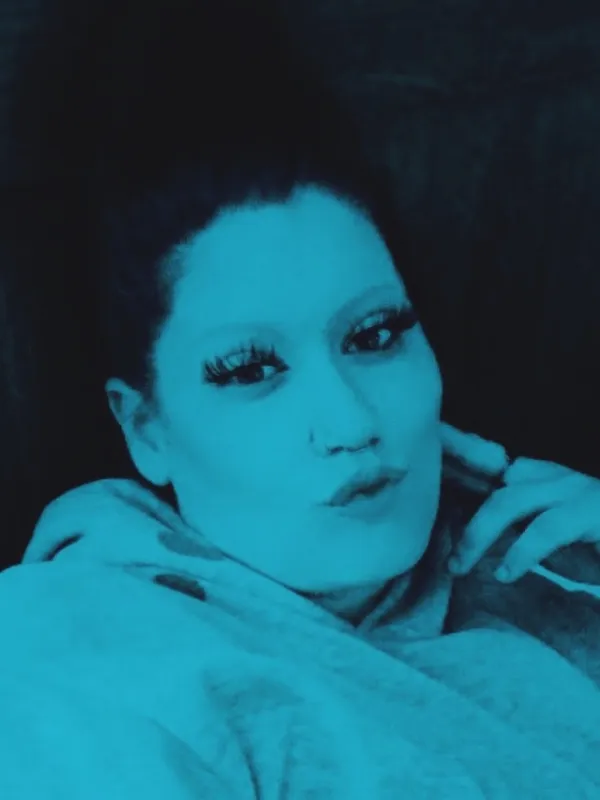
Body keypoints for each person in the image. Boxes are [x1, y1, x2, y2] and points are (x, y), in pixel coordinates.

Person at [1, 0, 600, 796]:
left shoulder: (551, 577)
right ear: (146, 428)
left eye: (375, 334)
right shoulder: (82, 657)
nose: (352, 422)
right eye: (250, 369)